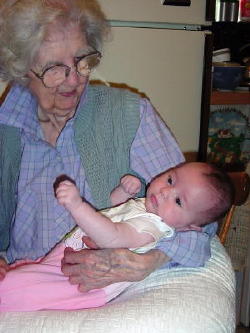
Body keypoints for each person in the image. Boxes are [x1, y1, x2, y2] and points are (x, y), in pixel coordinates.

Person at [0, 0, 217, 293]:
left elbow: (202, 221)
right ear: (23, 69)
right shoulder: (6, 131)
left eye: (82, 60)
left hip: (105, 298)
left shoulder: (128, 115)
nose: (74, 79)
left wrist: (147, 261)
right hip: (24, 288)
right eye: (54, 68)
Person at [0, 162, 234, 311]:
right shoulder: (146, 207)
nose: (165, 192)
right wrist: (122, 194)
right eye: (171, 180)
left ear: (189, 227)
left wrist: (77, 205)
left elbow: (111, 237)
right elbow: (111, 213)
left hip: (77, 282)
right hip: (61, 263)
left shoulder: (152, 228)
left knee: (14, 290)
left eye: (178, 201)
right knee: (21, 273)